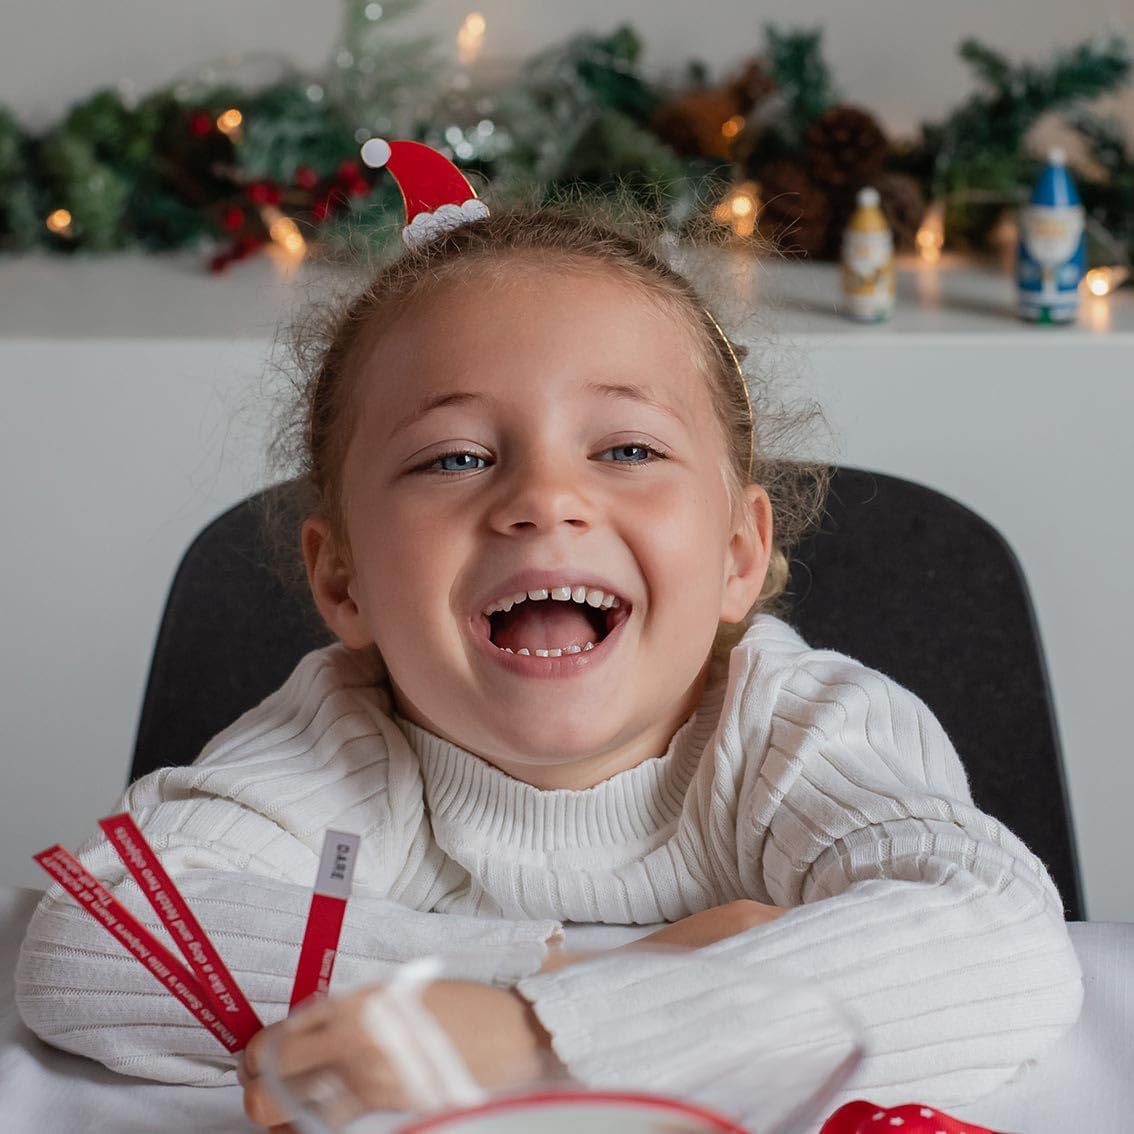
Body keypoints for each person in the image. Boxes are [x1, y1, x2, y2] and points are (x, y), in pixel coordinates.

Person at [17, 143, 1082, 1130]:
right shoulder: (335, 742)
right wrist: (578, 975)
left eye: (624, 446)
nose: (544, 500)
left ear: (736, 555)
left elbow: (997, 945)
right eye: (455, 459)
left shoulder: (805, 730)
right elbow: (94, 943)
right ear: (341, 578)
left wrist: (531, 1034)